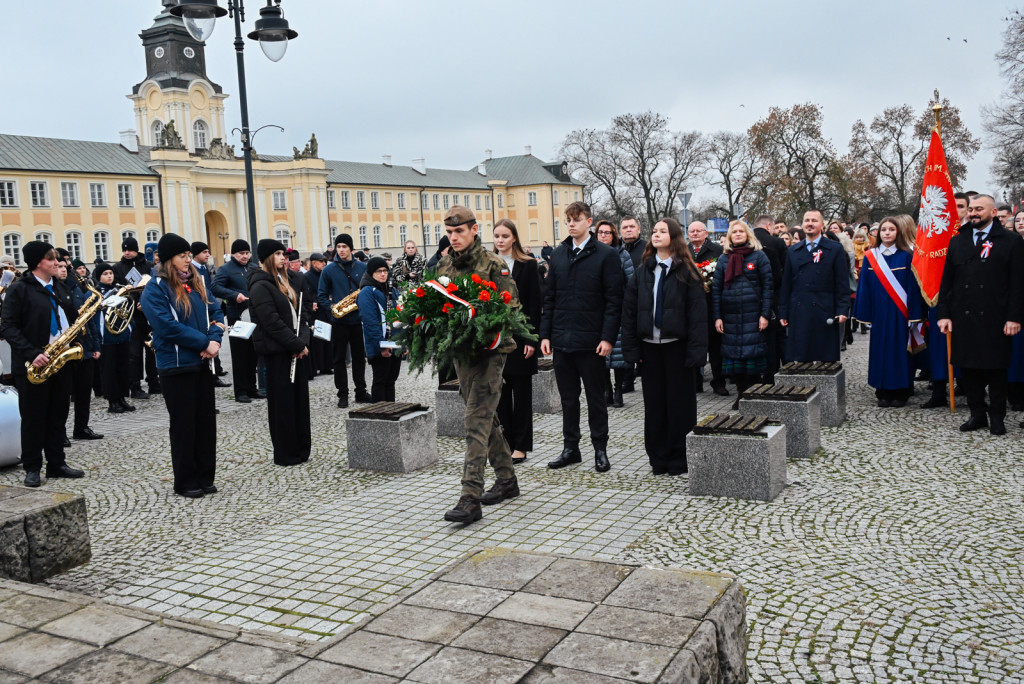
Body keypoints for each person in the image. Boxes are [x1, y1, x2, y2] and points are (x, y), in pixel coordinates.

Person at [436, 206, 520, 524]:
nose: (454, 237)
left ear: (474, 230)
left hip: (490, 354)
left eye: (459, 231)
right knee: (486, 418)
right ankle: (507, 479)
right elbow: (436, 305)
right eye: (449, 232)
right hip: (462, 354)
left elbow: (510, 308)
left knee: (475, 420)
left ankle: (470, 497)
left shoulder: (493, 264)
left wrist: (485, 326)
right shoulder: (444, 265)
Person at [540, 201, 624, 473]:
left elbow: (614, 301)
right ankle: (571, 448)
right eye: (568, 220)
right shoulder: (559, 254)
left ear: (589, 222)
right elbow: (550, 298)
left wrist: (608, 337)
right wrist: (545, 335)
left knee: (596, 397)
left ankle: (600, 449)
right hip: (563, 340)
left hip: (592, 342)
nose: (571, 224)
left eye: (577, 219)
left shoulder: (606, 254)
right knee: (568, 398)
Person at [141, 234, 225, 497]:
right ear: (168, 260)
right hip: (176, 366)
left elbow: (216, 312)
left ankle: (205, 476)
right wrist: (203, 342)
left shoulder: (198, 282)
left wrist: (214, 339)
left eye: (189, 255)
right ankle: (186, 480)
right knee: (184, 425)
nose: (188, 261)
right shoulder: (155, 288)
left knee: (204, 423)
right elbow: (167, 327)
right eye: (182, 256)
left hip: (202, 364)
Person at [621, 218, 707, 475]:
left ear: (674, 236)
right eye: (654, 231)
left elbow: (698, 316)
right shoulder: (643, 271)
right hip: (650, 350)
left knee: (680, 405)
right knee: (655, 404)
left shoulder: (687, 271)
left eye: (662, 231)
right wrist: (632, 350)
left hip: (677, 348)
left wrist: (696, 353)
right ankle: (658, 458)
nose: (656, 235)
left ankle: (679, 458)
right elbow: (630, 312)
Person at [0, 241, 87, 486]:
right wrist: (31, 352)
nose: (58, 263)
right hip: (34, 364)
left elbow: (71, 320)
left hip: (61, 360)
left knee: (58, 415)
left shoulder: (60, 287)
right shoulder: (19, 289)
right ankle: (32, 467)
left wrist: (75, 341)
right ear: (39, 262)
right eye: (52, 259)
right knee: (33, 417)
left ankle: (56, 463)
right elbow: (8, 327)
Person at [937, 194, 1024, 434]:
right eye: (971, 209)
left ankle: (997, 417)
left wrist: (1014, 317)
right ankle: (977, 415)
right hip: (964, 317)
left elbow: (1018, 284)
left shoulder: (1011, 241)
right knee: (969, 369)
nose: (972, 213)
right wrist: (943, 314)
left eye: (979, 209)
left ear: (993, 213)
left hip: (996, 317)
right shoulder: (958, 242)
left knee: (996, 369)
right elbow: (947, 282)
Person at [248, 239, 313, 466]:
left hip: (295, 351)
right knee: (282, 406)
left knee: (299, 403)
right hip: (278, 353)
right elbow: (272, 323)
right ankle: (286, 452)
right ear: (267, 257)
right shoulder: (260, 286)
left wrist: (302, 343)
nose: (283, 258)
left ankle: (301, 447)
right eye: (277, 254)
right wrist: (295, 345)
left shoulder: (284, 281)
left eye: (283, 254)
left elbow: (301, 317)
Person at [852, 217, 923, 407]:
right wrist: (865, 315)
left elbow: (914, 287)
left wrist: (914, 315)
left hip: (901, 314)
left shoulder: (907, 255)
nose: (887, 233)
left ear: (898, 232)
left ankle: (901, 391)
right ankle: (881, 390)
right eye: (884, 229)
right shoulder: (870, 256)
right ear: (877, 233)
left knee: (900, 351)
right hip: (879, 314)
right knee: (880, 351)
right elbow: (864, 287)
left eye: (892, 229)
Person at [493, 219, 542, 464]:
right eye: (497, 236)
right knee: (500, 396)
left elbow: (535, 303)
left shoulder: (528, 265)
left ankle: (521, 446)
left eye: (504, 236)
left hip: (521, 339)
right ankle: (505, 444)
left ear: (514, 238)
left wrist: (532, 339)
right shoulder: (488, 266)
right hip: (495, 341)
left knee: (521, 395)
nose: (500, 240)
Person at [712, 220, 773, 408]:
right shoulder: (724, 259)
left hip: (753, 315)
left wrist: (765, 314)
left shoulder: (759, 256)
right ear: (730, 236)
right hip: (730, 317)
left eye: (741, 231)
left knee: (752, 359)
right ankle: (741, 394)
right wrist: (717, 316)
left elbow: (768, 287)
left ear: (748, 234)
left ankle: (752, 396)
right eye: (734, 232)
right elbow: (716, 289)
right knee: (735, 360)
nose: (738, 234)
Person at [778, 209, 851, 362]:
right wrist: (783, 311)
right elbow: (786, 284)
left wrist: (843, 309)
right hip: (799, 310)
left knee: (825, 358)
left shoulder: (835, 249)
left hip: (825, 310)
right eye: (807, 221)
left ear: (822, 225)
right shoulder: (793, 251)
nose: (810, 224)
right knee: (800, 357)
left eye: (814, 220)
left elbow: (842, 283)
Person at [318, 233, 371, 408]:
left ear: (351, 248)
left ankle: (361, 392)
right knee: (339, 360)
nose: (341, 250)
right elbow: (322, 296)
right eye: (338, 247)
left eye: (344, 247)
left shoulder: (363, 267)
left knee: (359, 358)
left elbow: (368, 290)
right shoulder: (328, 270)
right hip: (339, 321)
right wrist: (332, 310)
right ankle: (343, 394)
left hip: (357, 320)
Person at [212, 240, 264, 403]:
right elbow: (215, 287)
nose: (245, 256)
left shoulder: (253, 267)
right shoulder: (225, 269)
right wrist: (234, 295)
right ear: (234, 254)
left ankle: (252, 388)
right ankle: (240, 391)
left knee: (252, 354)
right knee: (240, 354)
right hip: (237, 317)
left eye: (247, 253)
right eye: (241, 253)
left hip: (254, 315)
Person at [594, 220, 635, 407]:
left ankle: (618, 391)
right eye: (600, 233)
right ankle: (606, 390)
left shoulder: (623, 254)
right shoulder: (591, 254)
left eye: (607, 233)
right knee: (600, 355)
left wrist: (627, 306)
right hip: (597, 311)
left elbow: (631, 282)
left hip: (618, 310)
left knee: (618, 356)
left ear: (613, 235)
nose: (603, 236)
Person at [112, 237, 158, 398]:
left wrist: (146, 303)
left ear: (136, 250)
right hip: (130, 315)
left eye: (130, 250)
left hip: (148, 314)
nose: (127, 252)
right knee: (134, 353)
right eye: (124, 250)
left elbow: (153, 287)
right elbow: (117, 290)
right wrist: (133, 304)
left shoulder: (148, 266)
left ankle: (154, 381)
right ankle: (135, 386)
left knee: (152, 349)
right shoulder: (118, 268)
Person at [65, 261, 103, 440]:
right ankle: (59, 434)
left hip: (85, 346)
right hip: (66, 347)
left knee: (84, 391)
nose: (64, 270)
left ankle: (82, 427)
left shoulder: (78, 287)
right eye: (60, 266)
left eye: (66, 267)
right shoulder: (56, 290)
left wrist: (95, 345)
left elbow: (90, 320)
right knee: (63, 395)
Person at [688, 221, 725, 394]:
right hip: (691, 307)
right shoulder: (684, 251)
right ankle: (695, 382)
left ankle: (718, 382)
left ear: (706, 233)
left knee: (715, 347)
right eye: (691, 231)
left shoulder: (717, 251)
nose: (695, 234)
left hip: (711, 304)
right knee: (694, 345)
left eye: (698, 231)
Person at [358, 256, 401, 402]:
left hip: (395, 343)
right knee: (380, 381)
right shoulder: (366, 292)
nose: (383, 274)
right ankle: (380, 415)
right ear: (371, 273)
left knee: (391, 381)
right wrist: (381, 345)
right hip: (379, 345)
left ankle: (391, 411)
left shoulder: (392, 290)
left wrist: (404, 340)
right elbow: (370, 322)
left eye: (385, 271)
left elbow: (400, 316)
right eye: (378, 271)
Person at [95, 263, 136, 414]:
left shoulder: (119, 290)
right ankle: (112, 400)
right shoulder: (96, 293)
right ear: (99, 276)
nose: (109, 276)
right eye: (105, 274)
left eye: (111, 273)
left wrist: (129, 327)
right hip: (107, 338)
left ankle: (122, 398)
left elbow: (128, 310)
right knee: (109, 370)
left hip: (122, 335)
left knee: (123, 368)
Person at [751, 215, 787, 383]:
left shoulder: (747, 241)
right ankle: (774, 373)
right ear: (769, 226)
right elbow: (784, 272)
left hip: (750, 297)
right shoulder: (777, 243)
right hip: (774, 297)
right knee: (775, 338)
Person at [192, 241, 230, 387]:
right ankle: (211, 374)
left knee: (214, 339)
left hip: (210, 306)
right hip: (201, 309)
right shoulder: (193, 270)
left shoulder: (205, 268)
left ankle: (215, 371)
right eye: (204, 252)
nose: (208, 255)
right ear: (196, 254)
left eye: (208, 252)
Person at [304, 253, 332, 376]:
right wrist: (316, 300)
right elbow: (307, 293)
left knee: (327, 338)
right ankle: (317, 366)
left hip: (326, 310)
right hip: (315, 312)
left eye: (324, 262)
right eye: (321, 262)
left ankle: (327, 365)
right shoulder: (307, 277)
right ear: (313, 263)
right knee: (317, 341)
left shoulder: (324, 275)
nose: (324, 264)